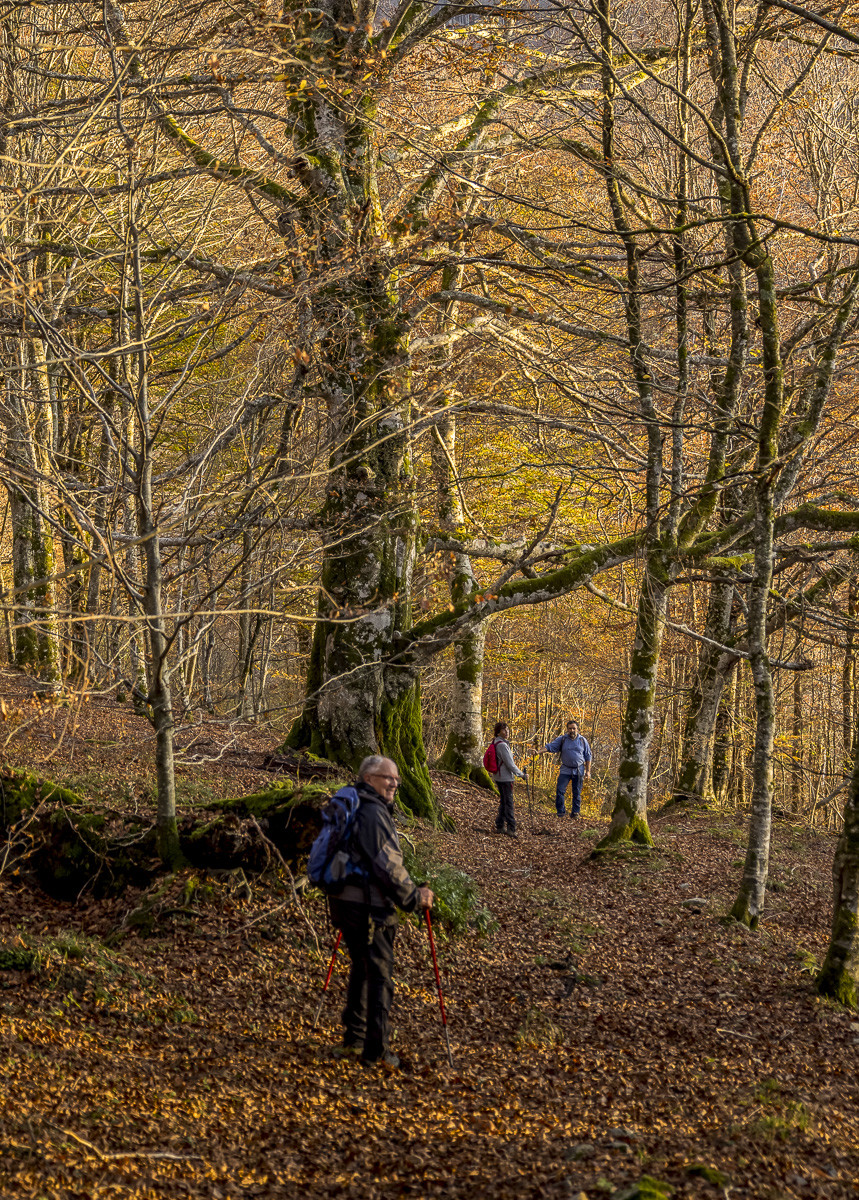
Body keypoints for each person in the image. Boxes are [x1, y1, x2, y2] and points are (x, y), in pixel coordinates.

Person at [327, 755, 434, 1069]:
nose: (394, 784)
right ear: (369, 777)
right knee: (379, 977)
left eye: (397, 780)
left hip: (345, 902)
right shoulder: (372, 812)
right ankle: (376, 1052)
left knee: (362, 967)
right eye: (388, 777)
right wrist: (415, 897)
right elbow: (388, 867)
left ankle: (355, 1037)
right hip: (369, 907)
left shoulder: (351, 804)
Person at [542, 719, 592, 820]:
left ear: (577, 729)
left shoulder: (582, 740)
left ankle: (575, 813)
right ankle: (561, 813)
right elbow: (550, 747)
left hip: (579, 769)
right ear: (567, 729)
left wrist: (588, 771)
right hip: (565, 769)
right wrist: (538, 752)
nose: (572, 730)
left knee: (577, 792)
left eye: (574, 728)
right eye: (570, 728)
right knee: (560, 790)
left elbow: (588, 756)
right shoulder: (562, 739)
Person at [489, 720, 526, 837]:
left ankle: (500, 825)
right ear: (498, 732)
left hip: (499, 777)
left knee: (504, 802)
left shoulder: (495, 742)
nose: (507, 732)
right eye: (504, 730)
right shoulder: (502, 745)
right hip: (505, 778)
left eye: (508, 730)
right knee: (509, 803)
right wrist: (522, 775)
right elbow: (510, 764)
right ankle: (511, 828)